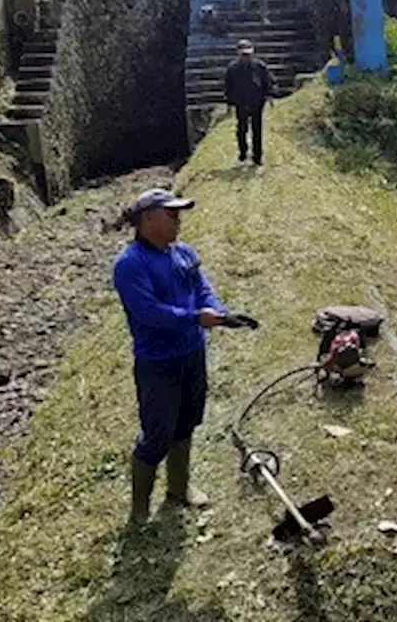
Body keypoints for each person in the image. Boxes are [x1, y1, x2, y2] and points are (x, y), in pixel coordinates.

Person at [113, 189, 229, 524]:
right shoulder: (130, 264)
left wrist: (217, 311)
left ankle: (179, 489)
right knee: (156, 434)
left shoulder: (183, 253)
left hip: (192, 353)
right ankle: (139, 509)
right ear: (147, 219)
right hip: (158, 362)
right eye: (171, 214)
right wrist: (195, 318)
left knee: (187, 421)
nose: (178, 221)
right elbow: (149, 312)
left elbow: (202, 288)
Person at [225, 38, 275, 166]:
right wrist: (229, 103)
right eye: (243, 54)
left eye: (248, 54)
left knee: (257, 129)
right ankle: (243, 152)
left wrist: (269, 95)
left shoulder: (259, 66)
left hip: (257, 102)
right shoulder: (232, 68)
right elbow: (228, 86)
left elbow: (268, 81)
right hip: (240, 102)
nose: (246, 57)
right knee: (241, 129)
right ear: (238, 54)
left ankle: (257, 157)